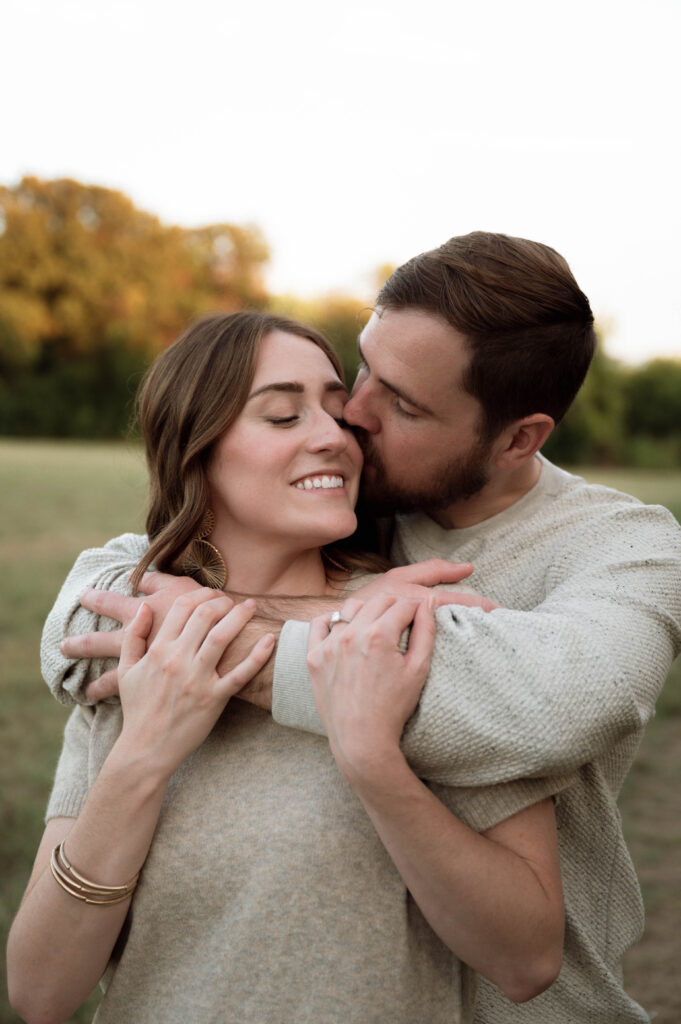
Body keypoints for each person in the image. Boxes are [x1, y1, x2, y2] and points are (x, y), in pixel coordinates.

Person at [35, 233, 681, 1022]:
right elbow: (101, 603)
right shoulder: (168, 634)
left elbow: (548, 701)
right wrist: (165, 696)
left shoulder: (612, 554)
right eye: (363, 369)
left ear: (518, 438)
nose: (351, 419)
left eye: (403, 403)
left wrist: (237, 651)